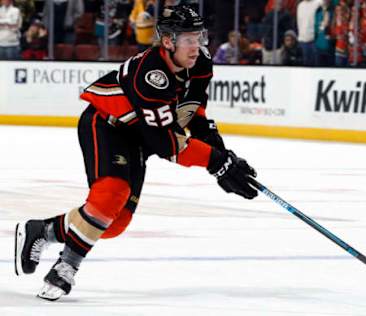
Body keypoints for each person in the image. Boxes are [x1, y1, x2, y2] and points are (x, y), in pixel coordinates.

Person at [14, 5, 258, 301]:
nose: (197, 46)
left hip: (139, 137)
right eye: (189, 39)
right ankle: (65, 268)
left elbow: (193, 112)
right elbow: (167, 146)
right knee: (110, 196)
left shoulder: (202, 62)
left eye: (199, 37)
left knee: (114, 224)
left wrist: (223, 154)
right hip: (107, 125)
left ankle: (43, 230)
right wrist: (216, 162)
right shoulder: (152, 75)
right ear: (168, 41)